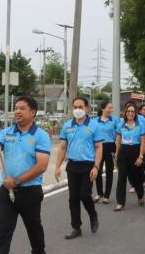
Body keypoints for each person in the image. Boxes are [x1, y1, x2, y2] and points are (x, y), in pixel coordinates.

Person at [0, 96, 51, 254]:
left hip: (30, 192)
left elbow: (42, 166)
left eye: (22, 108)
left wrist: (16, 181)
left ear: (32, 112)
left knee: (34, 229)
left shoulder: (41, 135)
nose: (17, 111)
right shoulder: (7, 132)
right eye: (16, 108)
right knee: (3, 231)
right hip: (6, 191)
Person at [55, 97, 103, 239]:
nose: (77, 110)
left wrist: (96, 167)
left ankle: (93, 215)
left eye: (80, 107)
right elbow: (62, 147)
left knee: (84, 195)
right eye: (75, 107)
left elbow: (99, 147)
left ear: (87, 109)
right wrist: (57, 166)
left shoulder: (94, 126)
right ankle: (76, 228)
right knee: (73, 198)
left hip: (88, 166)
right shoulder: (67, 126)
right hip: (72, 165)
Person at [114, 102, 145, 211]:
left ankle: (140, 196)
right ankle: (120, 203)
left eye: (132, 111)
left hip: (135, 152)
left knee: (136, 178)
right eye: (128, 111)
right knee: (121, 177)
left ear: (135, 113)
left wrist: (141, 156)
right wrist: (117, 154)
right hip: (123, 152)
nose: (130, 113)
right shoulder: (121, 124)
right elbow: (118, 140)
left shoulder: (140, 125)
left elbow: (143, 142)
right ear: (125, 112)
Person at [94, 101, 120, 204]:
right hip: (98, 147)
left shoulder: (115, 120)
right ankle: (99, 193)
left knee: (109, 172)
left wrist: (117, 150)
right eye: (109, 108)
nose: (111, 110)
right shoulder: (95, 121)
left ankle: (107, 196)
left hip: (110, 146)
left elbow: (118, 135)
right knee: (98, 170)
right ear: (103, 109)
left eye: (111, 108)